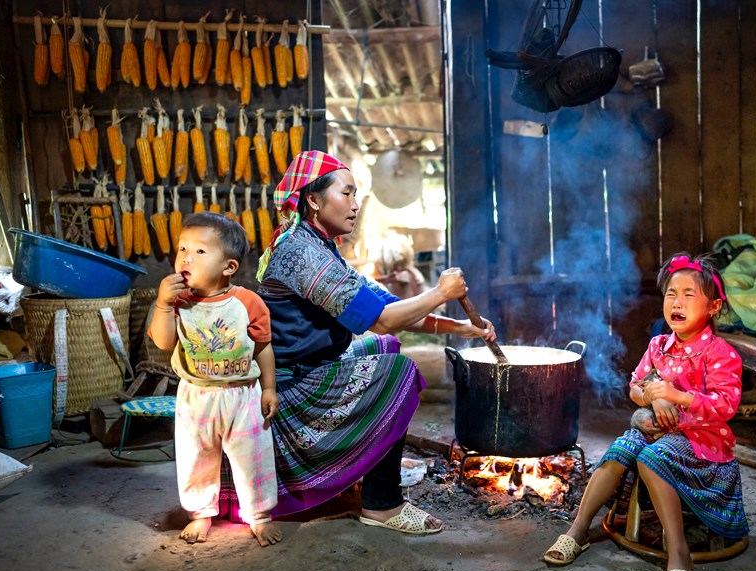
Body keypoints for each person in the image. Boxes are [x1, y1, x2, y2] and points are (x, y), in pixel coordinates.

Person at [228, 149, 496, 534]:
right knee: (398, 373)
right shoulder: (302, 253)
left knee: (385, 350)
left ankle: (364, 464)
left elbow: (388, 306)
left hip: (312, 366)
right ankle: (382, 504)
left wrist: (460, 326)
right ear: (314, 200)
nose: (355, 205)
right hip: (289, 386)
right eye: (347, 194)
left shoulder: (320, 246)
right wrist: (440, 291)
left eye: (356, 195)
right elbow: (385, 320)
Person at [542, 253, 748, 571]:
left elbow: (725, 407)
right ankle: (578, 530)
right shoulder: (658, 346)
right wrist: (656, 400)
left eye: (688, 294)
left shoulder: (720, 353)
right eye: (671, 294)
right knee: (620, 450)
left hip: (701, 441)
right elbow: (636, 387)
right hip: (657, 427)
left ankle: (679, 554)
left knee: (653, 458)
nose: (677, 302)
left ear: (713, 307)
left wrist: (676, 395)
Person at [149, 212, 282, 548]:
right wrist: (163, 304)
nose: (185, 258)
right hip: (196, 395)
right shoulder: (177, 302)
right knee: (196, 457)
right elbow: (163, 342)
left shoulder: (248, 303)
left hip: (243, 395)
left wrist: (269, 388)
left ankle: (259, 515)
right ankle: (201, 513)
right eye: (182, 249)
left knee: (253, 456)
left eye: (199, 252)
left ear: (229, 268)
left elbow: (263, 349)